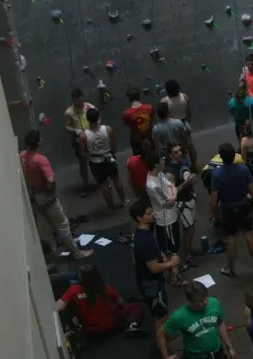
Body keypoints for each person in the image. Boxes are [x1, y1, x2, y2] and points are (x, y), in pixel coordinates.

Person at [20, 130, 93, 259]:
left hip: (33, 195)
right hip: (46, 196)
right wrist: (51, 190)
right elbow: (51, 180)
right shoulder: (41, 160)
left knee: (47, 224)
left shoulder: (22, 156)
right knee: (63, 224)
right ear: (38, 142)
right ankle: (76, 252)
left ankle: (56, 247)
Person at [130, 197, 180, 355]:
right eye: (148, 213)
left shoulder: (143, 234)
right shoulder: (144, 240)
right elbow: (153, 267)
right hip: (152, 285)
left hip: (149, 282)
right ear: (139, 218)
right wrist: (171, 263)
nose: (152, 215)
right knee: (159, 317)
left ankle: (166, 335)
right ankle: (165, 353)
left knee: (162, 312)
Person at [210, 142, 253, 277]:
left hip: (228, 209)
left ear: (221, 157)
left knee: (231, 238)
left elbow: (214, 197)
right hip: (243, 207)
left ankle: (230, 269)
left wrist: (213, 212)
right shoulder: (243, 169)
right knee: (248, 234)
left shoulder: (216, 174)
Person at [56, 264, 144, 340]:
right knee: (135, 306)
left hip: (88, 328)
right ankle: (132, 325)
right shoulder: (105, 288)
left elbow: (58, 307)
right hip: (108, 325)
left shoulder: (74, 290)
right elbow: (121, 303)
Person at [161, 281, 234, 359]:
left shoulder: (214, 303)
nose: (206, 302)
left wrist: (229, 346)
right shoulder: (179, 316)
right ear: (190, 301)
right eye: (200, 301)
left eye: (206, 297)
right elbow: (161, 334)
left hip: (217, 352)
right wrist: (165, 356)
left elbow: (220, 323)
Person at [145, 152, 185, 287]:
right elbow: (168, 201)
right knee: (170, 248)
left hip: (171, 216)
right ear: (156, 164)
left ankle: (175, 272)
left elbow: (171, 186)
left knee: (174, 246)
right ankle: (175, 275)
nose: (164, 161)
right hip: (166, 220)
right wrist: (174, 195)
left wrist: (173, 193)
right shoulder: (152, 185)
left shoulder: (159, 174)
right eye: (162, 160)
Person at [78, 108, 128, 210]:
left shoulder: (83, 136)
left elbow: (82, 152)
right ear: (98, 118)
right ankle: (124, 201)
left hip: (95, 162)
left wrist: (91, 155)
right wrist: (112, 154)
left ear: (87, 119)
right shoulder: (108, 129)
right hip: (109, 158)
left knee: (103, 185)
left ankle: (111, 207)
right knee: (116, 179)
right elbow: (113, 145)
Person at [165, 143, 198, 271]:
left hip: (190, 198)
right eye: (176, 152)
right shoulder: (170, 173)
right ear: (170, 155)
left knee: (191, 228)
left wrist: (192, 181)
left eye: (180, 151)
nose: (179, 153)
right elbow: (173, 192)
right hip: (181, 203)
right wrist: (186, 183)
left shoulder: (184, 161)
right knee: (188, 229)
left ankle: (188, 249)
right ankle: (188, 255)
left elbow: (189, 178)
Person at [160, 79, 198, 172]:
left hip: (171, 125)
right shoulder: (184, 96)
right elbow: (188, 112)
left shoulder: (164, 101)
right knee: (190, 146)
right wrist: (188, 123)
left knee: (174, 147)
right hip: (184, 122)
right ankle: (193, 165)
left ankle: (177, 167)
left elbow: (163, 115)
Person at [64, 88, 95, 197]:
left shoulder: (90, 107)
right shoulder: (69, 112)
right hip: (79, 139)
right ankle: (85, 184)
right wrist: (75, 130)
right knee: (83, 162)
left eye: (81, 99)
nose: (79, 102)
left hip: (92, 136)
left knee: (96, 158)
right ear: (73, 100)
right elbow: (66, 126)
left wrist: (93, 128)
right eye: (77, 100)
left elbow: (98, 119)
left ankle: (101, 181)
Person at [122, 88, 154, 156]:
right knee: (152, 157)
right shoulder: (149, 107)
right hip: (149, 136)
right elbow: (151, 120)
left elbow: (128, 124)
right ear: (138, 96)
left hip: (136, 139)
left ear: (129, 98)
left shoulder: (126, 113)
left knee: (139, 159)